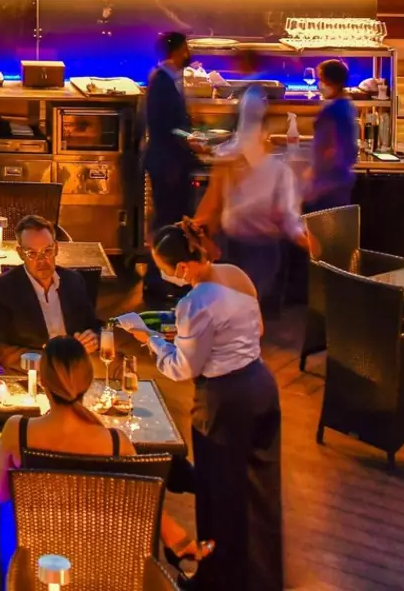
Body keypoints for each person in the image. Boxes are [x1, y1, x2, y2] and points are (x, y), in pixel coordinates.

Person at [121, 220, 284, 591]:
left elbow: (183, 368)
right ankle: (261, 578)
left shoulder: (194, 302)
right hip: (260, 385)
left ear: (181, 267)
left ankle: (216, 579)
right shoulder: (235, 275)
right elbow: (254, 330)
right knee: (258, 489)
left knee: (218, 492)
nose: (163, 276)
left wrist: (147, 337)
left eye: (163, 269)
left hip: (223, 401)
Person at [0, 336, 212, 573]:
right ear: (87, 382)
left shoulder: (18, 430)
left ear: (43, 381)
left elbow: (0, 493)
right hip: (99, 561)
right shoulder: (116, 442)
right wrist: (176, 537)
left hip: (37, 560)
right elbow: (143, 504)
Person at [199, 54, 313, 309]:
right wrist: (202, 234)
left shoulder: (274, 169)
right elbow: (213, 202)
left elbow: (289, 219)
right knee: (235, 310)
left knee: (248, 310)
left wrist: (307, 240)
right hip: (232, 247)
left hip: (261, 251)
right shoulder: (229, 162)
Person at [0, 215, 98, 371]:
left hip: (76, 368)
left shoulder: (74, 281)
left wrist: (93, 338)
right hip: (32, 374)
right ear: (20, 253)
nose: (42, 260)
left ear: (56, 248)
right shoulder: (1, 289)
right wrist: (46, 361)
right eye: (32, 254)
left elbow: (93, 326)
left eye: (47, 251)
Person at [142, 31, 199, 303]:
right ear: (176, 51)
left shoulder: (170, 79)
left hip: (172, 162)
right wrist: (190, 139)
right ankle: (156, 280)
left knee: (172, 222)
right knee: (166, 223)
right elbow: (163, 125)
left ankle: (169, 277)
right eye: (185, 47)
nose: (188, 52)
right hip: (166, 164)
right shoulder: (161, 81)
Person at [304, 59, 359, 212]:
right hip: (340, 182)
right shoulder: (347, 106)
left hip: (328, 187)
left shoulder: (334, 111)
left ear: (330, 81)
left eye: (320, 79)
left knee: (322, 230)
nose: (319, 84)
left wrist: (316, 181)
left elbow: (331, 150)